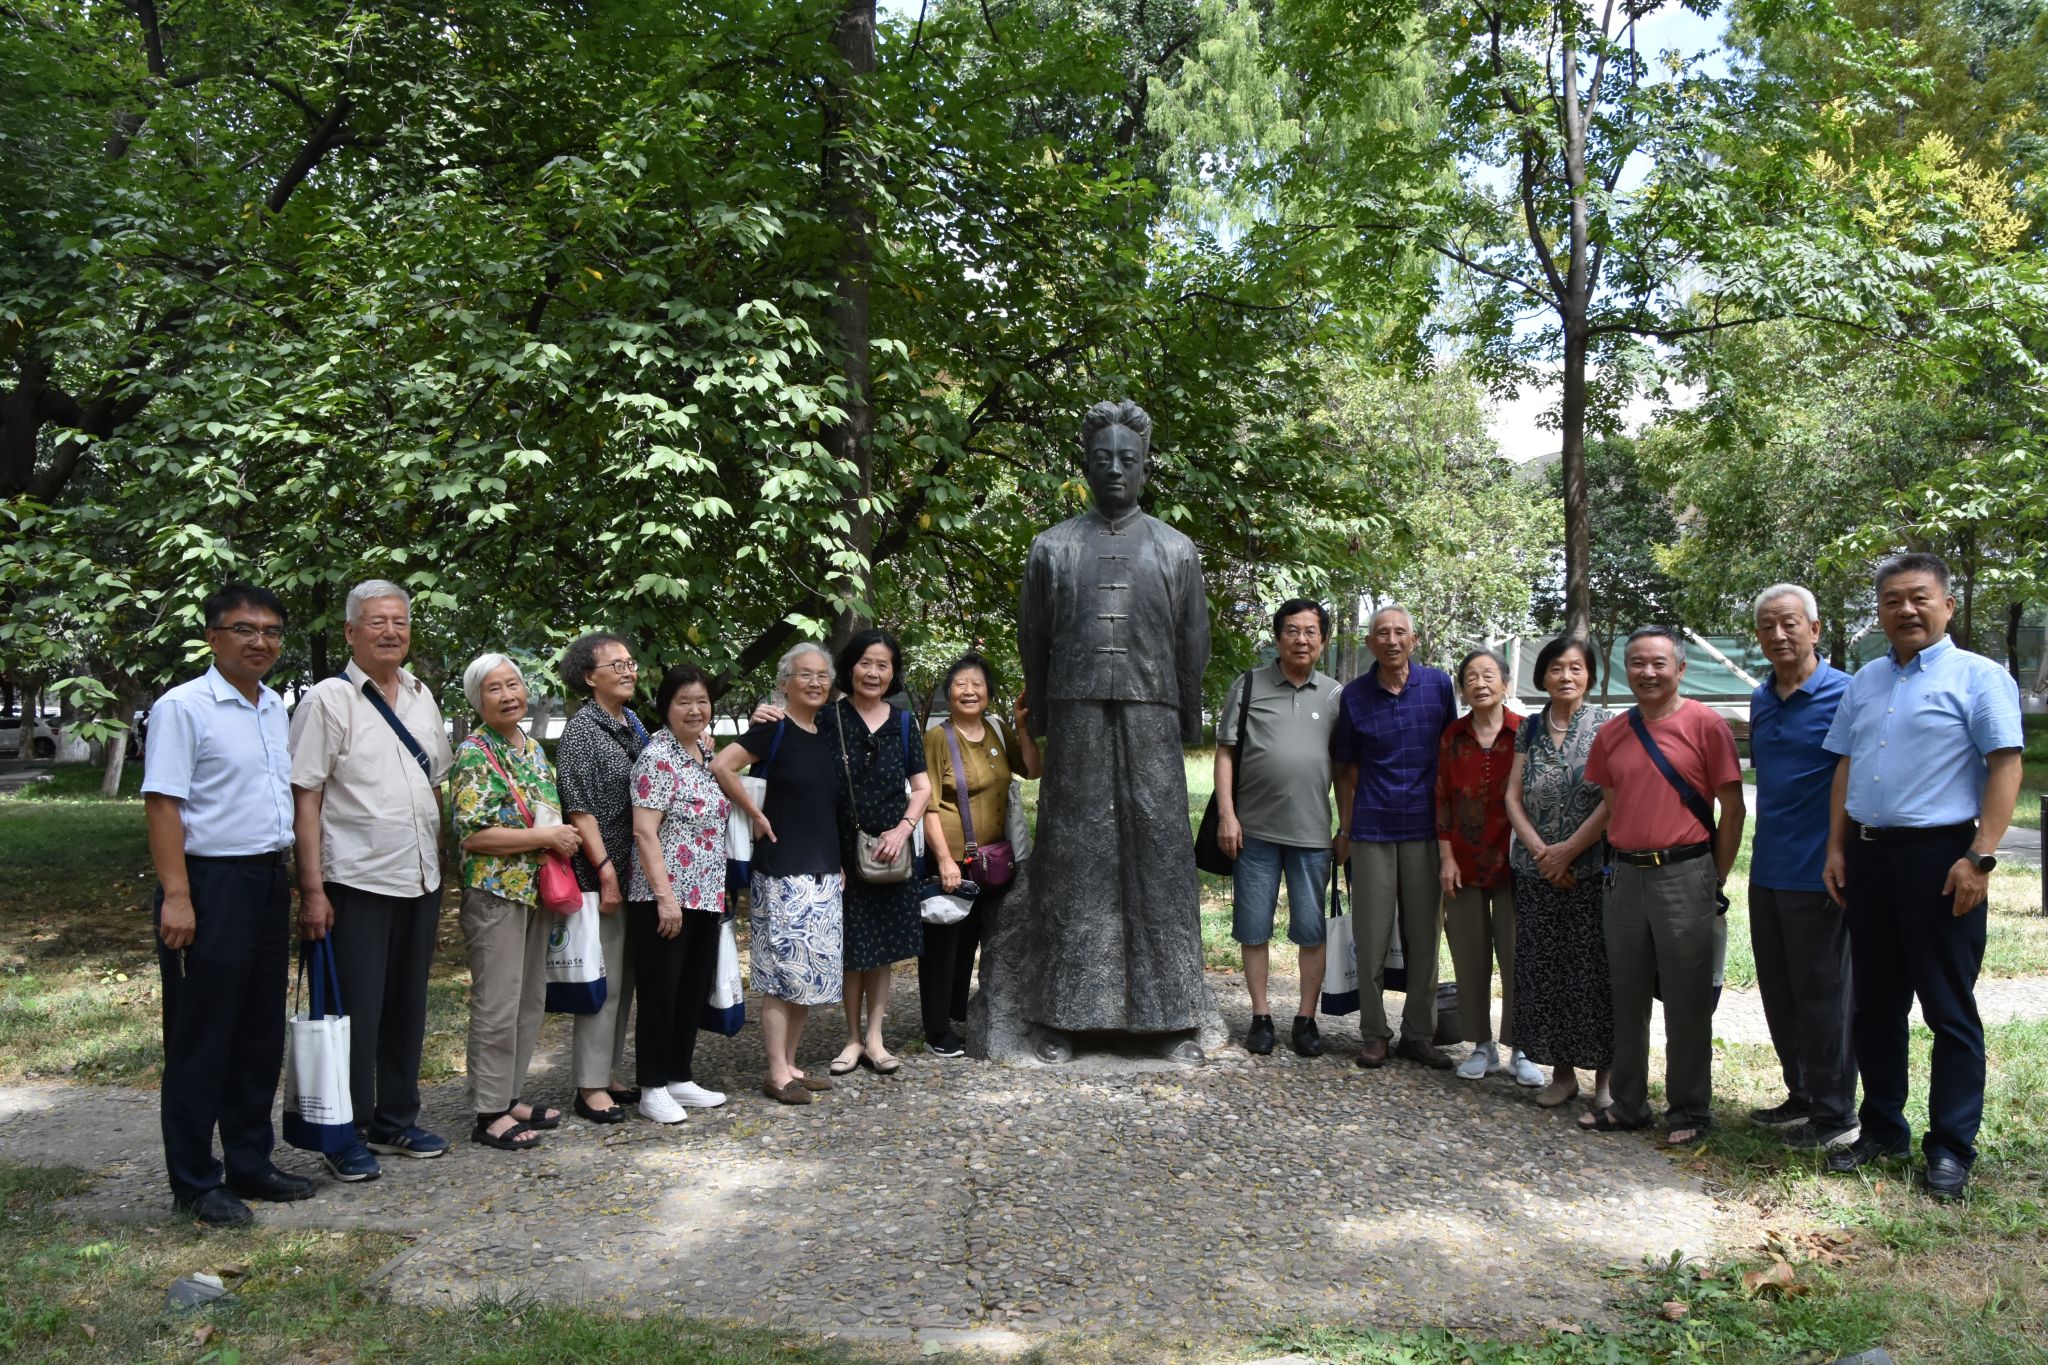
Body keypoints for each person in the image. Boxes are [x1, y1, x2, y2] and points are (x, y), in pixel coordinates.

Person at [1821, 553, 2023, 1202]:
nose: (1906, 610)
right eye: (1892, 600)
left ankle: (1950, 1149)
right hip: (1871, 856)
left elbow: (2005, 765)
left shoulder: (1979, 677)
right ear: (1878, 611)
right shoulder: (1867, 680)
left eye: (1919, 597)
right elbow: (1845, 767)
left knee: (1948, 1008)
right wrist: (1837, 846)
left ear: (1947, 604)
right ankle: (1882, 1127)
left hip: (1943, 859)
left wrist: (1980, 856)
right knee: (1875, 1002)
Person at [1015, 399, 1213, 1062]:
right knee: (1073, 860)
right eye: (1104, 460)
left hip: (1151, 711)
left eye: (1129, 459)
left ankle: (1171, 1014)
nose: (1117, 470)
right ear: (1085, 465)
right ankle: (1064, 1014)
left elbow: (1194, 640)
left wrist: (1189, 716)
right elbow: (1034, 638)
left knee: (1159, 858)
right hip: (1073, 711)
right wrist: (1041, 716)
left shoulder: (1175, 548)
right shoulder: (1052, 546)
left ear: (1146, 463)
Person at [143, 583, 308, 1226]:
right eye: (244, 629)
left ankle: (250, 1161)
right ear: (213, 636)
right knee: (201, 1035)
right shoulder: (183, 708)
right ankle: (194, 1180)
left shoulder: (272, 707)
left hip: (266, 882)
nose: (260, 641)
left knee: (258, 1033)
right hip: (209, 886)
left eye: (271, 630)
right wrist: (178, 897)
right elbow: (163, 804)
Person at [290, 579, 457, 1181]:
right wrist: (312, 891)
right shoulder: (327, 702)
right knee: (351, 1009)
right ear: (350, 632)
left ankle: (395, 1119)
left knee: (406, 1007)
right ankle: (343, 1131)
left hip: (418, 877)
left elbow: (433, 783)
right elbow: (305, 798)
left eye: (400, 622)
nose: (391, 631)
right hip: (354, 881)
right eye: (377, 622)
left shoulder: (420, 694)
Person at [1580, 626, 1744, 1147]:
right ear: (1624, 669)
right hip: (1624, 875)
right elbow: (1612, 800)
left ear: (1680, 669)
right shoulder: (1612, 733)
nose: (1647, 673)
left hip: (1685, 872)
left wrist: (1712, 876)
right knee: (1626, 997)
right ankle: (1627, 1103)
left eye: (1658, 663)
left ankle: (1689, 1108)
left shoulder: (1706, 724)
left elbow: (1732, 809)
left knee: (1686, 998)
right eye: (1636, 663)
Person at [448, 654, 585, 1149]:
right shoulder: (473, 753)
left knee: (530, 1000)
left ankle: (508, 1096)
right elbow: (475, 835)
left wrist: (552, 836)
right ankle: (487, 1113)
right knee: (498, 1002)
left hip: (536, 891)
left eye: (513, 685)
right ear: (476, 700)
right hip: (497, 893)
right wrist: (544, 837)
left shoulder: (530, 749)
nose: (508, 696)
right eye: (494, 689)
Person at [1746, 584, 1858, 1151]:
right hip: (1766, 869)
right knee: (1778, 989)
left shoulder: (1847, 694)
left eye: (1790, 623)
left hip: (1821, 872)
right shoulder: (1762, 698)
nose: (1779, 635)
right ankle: (1802, 1092)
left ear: (1815, 630)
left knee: (1824, 993)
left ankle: (1837, 1110)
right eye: (1768, 626)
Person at [711, 642, 843, 1105]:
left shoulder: (825, 730)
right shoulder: (773, 728)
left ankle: (791, 1064)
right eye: (804, 674)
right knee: (780, 973)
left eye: (822, 675)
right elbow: (721, 766)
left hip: (824, 869)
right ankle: (774, 1071)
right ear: (784, 682)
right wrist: (755, 815)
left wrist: (839, 862)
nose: (815, 682)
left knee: (808, 977)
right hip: (782, 869)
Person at [1214, 599, 1344, 1058]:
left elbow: (1345, 769)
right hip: (1254, 832)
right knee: (1253, 928)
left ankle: (1306, 1020)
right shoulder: (1248, 686)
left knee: (1311, 930)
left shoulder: (1334, 696)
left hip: (1312, 836)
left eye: (1311, 631)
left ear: (1323, 641)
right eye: (1292, 630)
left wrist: (1345, 826)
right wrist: (1228, 816)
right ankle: (1261, 1017)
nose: (1302, 639)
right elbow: (1226, 752)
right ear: (1277, 637)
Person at [1331, 604, 1457, 1070]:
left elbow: (1451, 759)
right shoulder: (1356, 696)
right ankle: (1373, 1032)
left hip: (1426, 830)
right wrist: (1345, 828)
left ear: (1414, 639)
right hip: (1372, 828)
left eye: (1399, 632)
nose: (1391, 640)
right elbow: (1345, 769)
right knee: (1372, 935)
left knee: (1424, 936)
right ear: (1370, 644)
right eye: (1381, 633)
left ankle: (1419, 1034)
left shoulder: (1439, 687)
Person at [1504, 636, 1615, 1111]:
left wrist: (1567, 852)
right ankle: (1563, 1074)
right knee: (1544, 973)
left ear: (1589, 675)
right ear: (1542, 676)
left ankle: (1606, 1078)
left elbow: (1616, 799)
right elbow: (1512, 796)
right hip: (1535, 872)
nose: (1565, 677)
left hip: (1592, 871)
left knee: (1595, 974)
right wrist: (1542, 854)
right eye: (1555, 669)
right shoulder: (1528, 729)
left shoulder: (1609, 727)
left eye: (1575, 668)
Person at [818, 630, 932, 1076]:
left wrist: (903, 829)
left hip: (891, 852)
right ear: (850, 667)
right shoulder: (828, 719)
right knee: (851, 949)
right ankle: (850, 1038)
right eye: (866, 662)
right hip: (842, 851)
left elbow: (922, 788)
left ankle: (875, 1038)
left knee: (882, 948)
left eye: (883, 665)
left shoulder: (904, 723)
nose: (874, 672)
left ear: (892, 672)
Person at [919, 653, 1041, 1057]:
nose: (969, 691)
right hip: (951, 859)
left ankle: (957, 1009)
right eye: (960, 684)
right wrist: (944, 861)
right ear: (948, 692)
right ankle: (936, 1030)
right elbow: (929, 805)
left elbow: (1033, 768)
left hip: (992, 860)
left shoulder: (996, 728)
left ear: (988, 692)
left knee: (971, 940)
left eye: (977, 684)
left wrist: (1021, 726)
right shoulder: (939, 737)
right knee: (943, 944)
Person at [628, 664, 733, 1121]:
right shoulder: (657, 757)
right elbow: (645, 832)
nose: (695, 709)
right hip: (664, 897)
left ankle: (678, 1077)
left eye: (702, 701)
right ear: (666, 707)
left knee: (691, 989)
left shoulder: (705, 756)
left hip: (706, 894)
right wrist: (664, 897)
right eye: (684, 701)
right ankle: (651, 1086)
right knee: (659, 994)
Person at [1436, 648, 1541, 1086]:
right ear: (1462, 688)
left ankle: (1523, 1049)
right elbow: (1441, 799)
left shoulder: (1526, 733)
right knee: (1469, 955)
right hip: (1463, 861)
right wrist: (1445, 858)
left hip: (1516, 862)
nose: (1480, 683)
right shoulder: (1452, 736)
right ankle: (1482, 1046)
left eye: (1489, 676)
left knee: (1520, 956)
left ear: (1506, 685)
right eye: (1471, 677)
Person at [554, 632, 646, 1125]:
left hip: (638, 870)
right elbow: (579, 810)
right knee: (603, 980)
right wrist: (606, 870)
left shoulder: (632, 724)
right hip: (601, 871)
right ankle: (588, 1087)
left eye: (630, 663)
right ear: (590, 677)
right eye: (617, 665)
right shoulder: (581, 731)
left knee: (625, 978)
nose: (629, 671)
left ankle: (608, 1071)